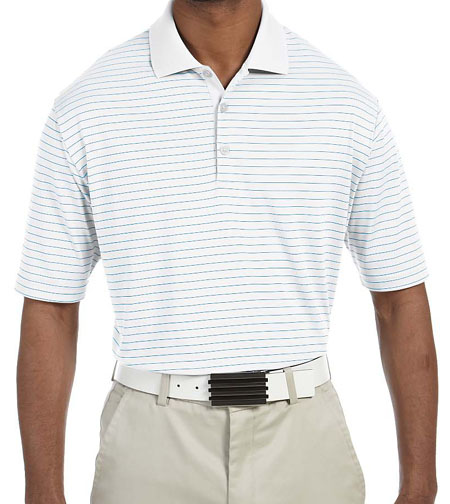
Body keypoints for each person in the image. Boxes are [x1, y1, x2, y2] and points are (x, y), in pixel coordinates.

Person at [16, 0, 438, 503]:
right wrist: (41, 492)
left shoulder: (346, 105)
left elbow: (399, 299)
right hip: (149, 446)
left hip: (305, 445)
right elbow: (50, 305)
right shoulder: (86, 107)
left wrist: (421, 484)